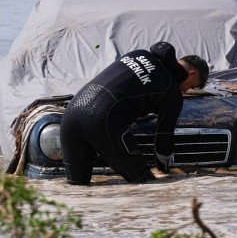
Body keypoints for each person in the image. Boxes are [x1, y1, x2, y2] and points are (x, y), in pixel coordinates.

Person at [60, 41, 209, 185]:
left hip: (70, 115)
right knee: (147, 187)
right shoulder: (172, 92)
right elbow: (164, 138)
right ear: (192, 74)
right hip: (102, 120)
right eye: (191, 86)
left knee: (77, 190)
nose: (185, 91)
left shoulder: (138, 54)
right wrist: (166, 171)